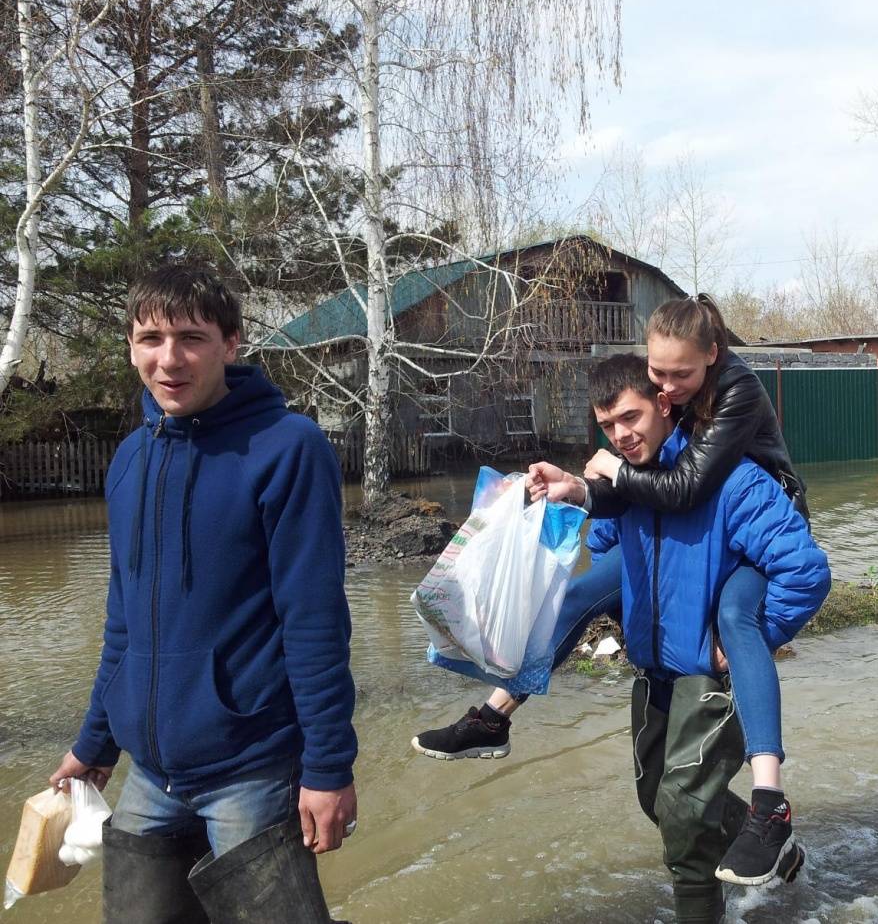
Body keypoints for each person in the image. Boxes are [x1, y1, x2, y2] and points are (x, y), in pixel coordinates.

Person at [412, 295, 814, 883]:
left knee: (734, 617)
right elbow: (614, 521)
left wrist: (614, 477)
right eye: (659, 374)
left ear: (711, 358)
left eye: (676, 381)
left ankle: (768, 804)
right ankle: (495, 714)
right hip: (662, 637)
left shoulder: (737, 403)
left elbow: (690, 486)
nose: (670, 387)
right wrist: (573, 490)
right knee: (579, 599)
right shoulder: (652, 432)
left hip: (760, 516)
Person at [48, 265, 358, 923]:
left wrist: (328, 767)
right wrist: (95, 743)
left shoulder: (287, 447)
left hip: (252, 770)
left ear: (232, 343)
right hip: (150, 776)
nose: (168, 359)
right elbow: (124, 621)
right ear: (130, 346)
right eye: (150, 338)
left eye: (190, 337)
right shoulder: (131, 459)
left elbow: (314, 621)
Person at [581, 354, 830, 918]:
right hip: (654, 671)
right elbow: (603, 553)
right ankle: (780, 852)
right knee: (658, 801)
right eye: (607, 425)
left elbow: (806, 572)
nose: (620, 435)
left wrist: (747, 643)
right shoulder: (623, 481)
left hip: (705, 678)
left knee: (687, 815)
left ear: (665, 404)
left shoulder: (732, 480)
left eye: (630, 417)